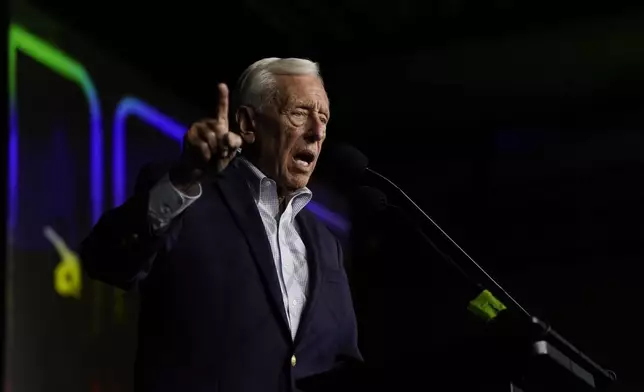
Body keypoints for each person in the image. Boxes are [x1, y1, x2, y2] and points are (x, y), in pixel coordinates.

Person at [80, 58, 361, 392]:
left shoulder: (326, 244)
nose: (317, 132)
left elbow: (342, 361)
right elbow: (104, 259)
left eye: (324, 118)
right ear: (247, 124)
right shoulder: (189, 192)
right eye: (299, 112)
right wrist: (184, 181)